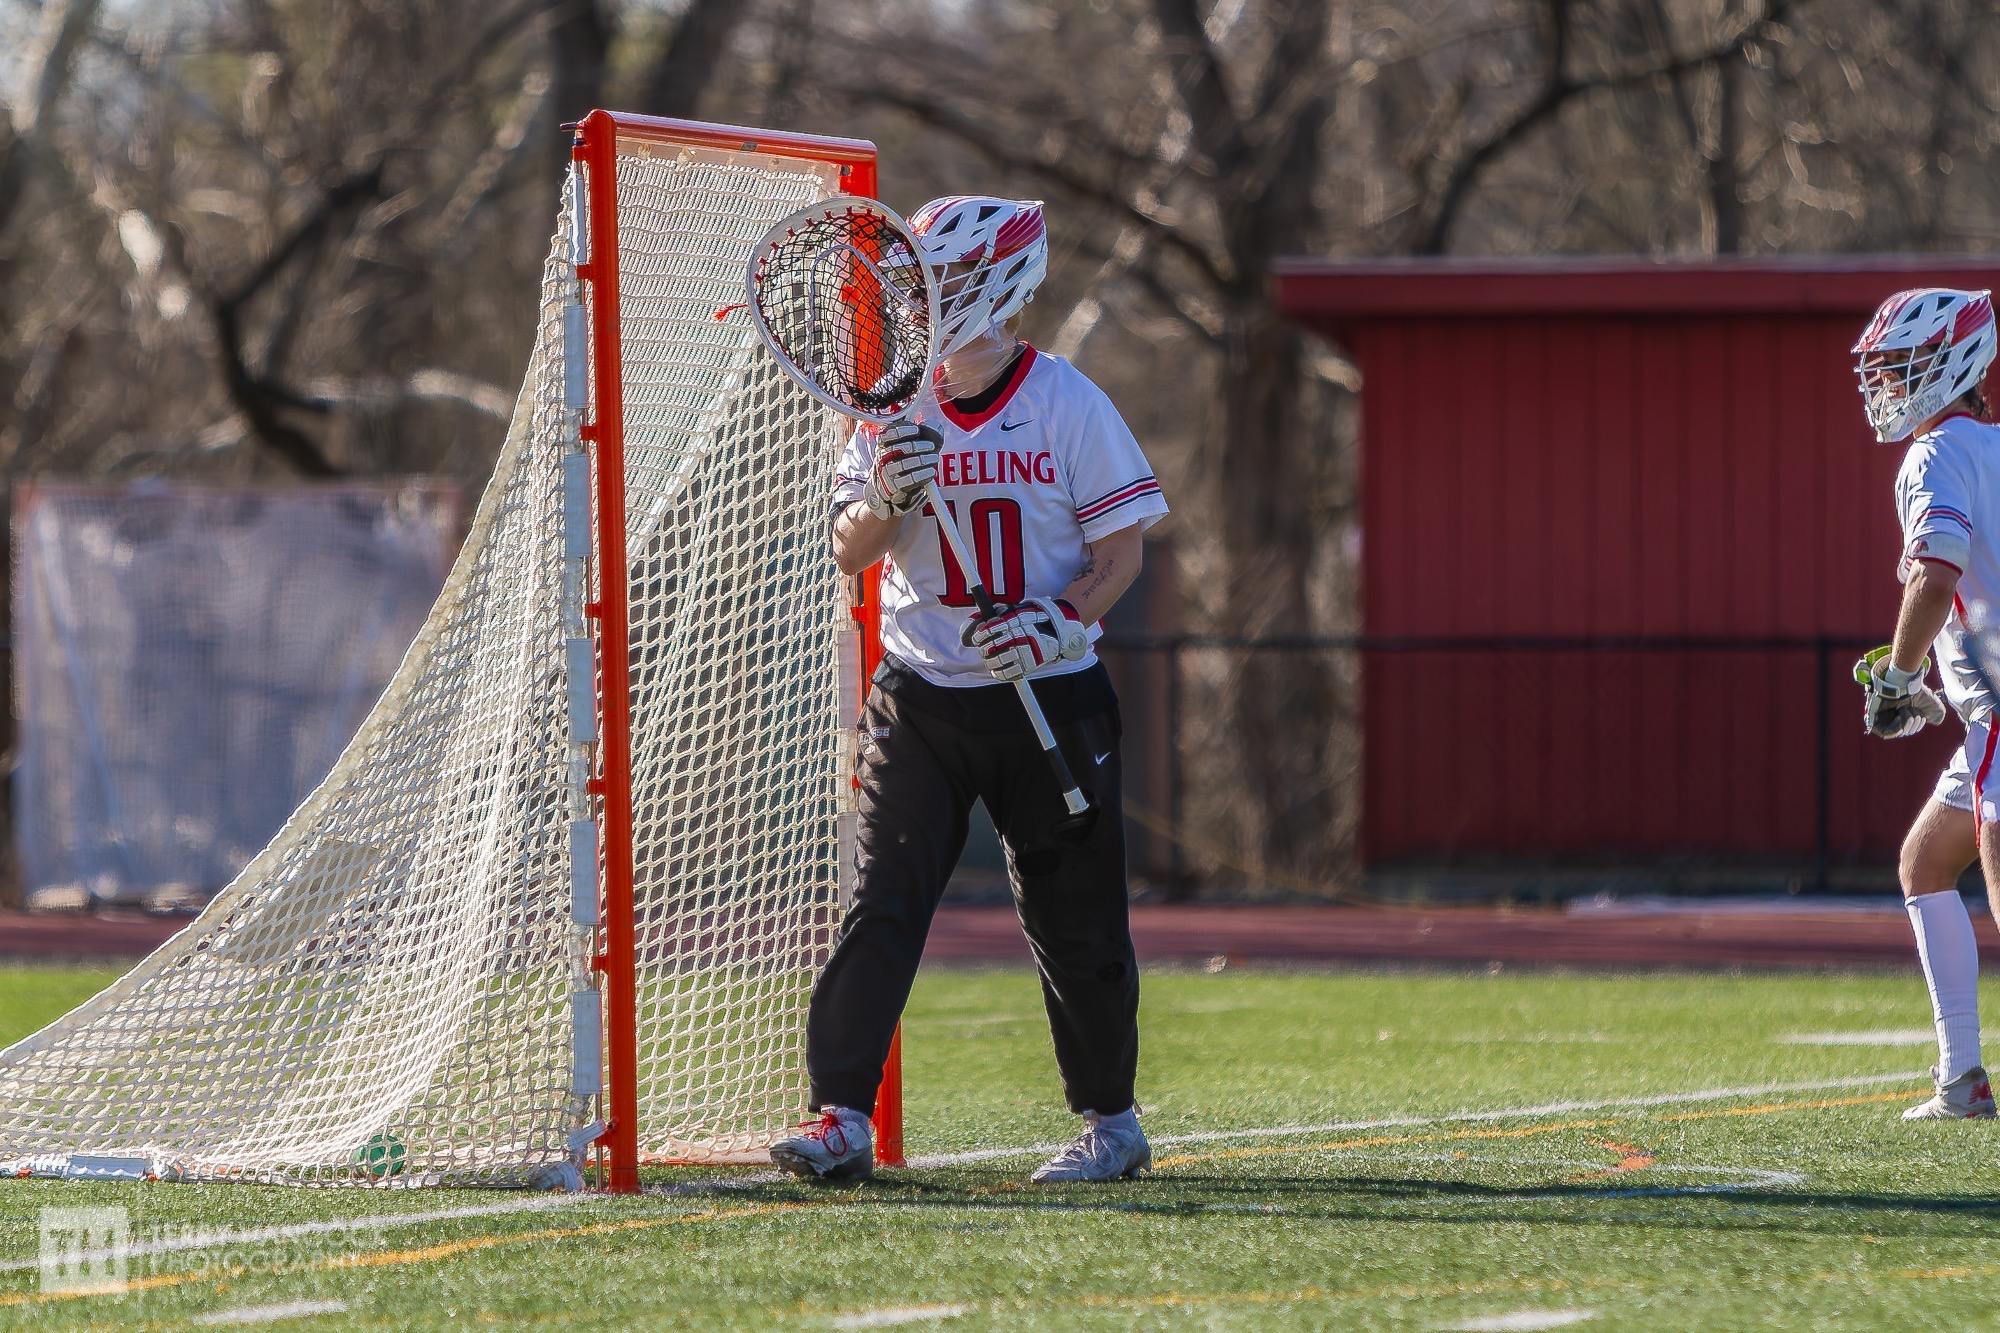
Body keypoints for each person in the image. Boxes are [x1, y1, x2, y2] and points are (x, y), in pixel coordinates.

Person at [769, 195, 1168, 1182]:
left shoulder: (1067, 402)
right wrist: (886, 496)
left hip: (1049, 694)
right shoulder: (891, 404)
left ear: (998, 283)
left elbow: (1120, 553)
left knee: (1074, 920)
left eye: (942, 279)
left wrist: (1056, 620)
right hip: (921, 695)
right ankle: (841, 1114)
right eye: (918, 279)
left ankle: (1111, 1122)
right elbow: (848, 549)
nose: (922, 298)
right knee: (881, 900)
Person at [1855, 286, 2000, 1119]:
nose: (1887, 382)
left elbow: (1937, 573)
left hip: (1999, 712)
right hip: (1986, 718)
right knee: (1925, 862)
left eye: (1902, 364)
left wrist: (1899, 680)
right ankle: (1962, 1076)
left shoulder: (1935, 452)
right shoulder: (1986, 446)